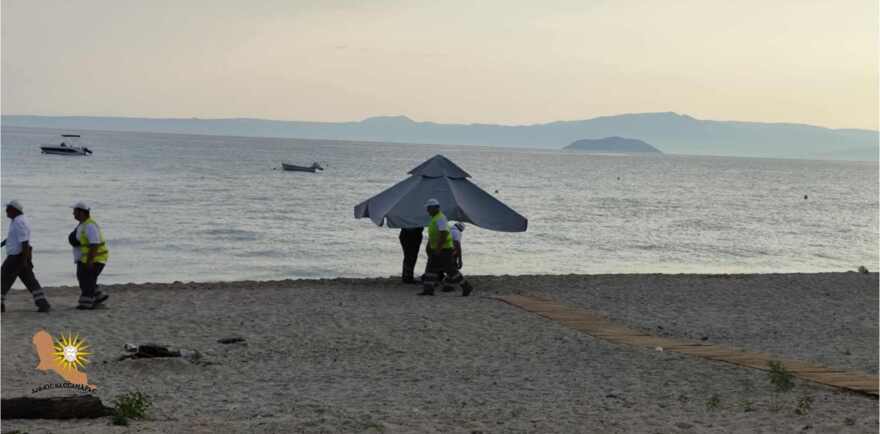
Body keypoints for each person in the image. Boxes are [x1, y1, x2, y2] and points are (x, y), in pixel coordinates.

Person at [1, 200, 51, 313]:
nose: (6, 211)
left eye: (8, 209)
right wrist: (2, 244)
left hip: (16, 257)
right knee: (30, 281)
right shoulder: (16, 220)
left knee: (3, 279)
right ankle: (43, 304)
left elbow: (24, 242)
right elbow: (13, 237)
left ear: (14, 210)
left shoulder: (20, 222)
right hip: (20, 256)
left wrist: (24, 261)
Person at [418, 199, 474, 297]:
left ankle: (466, 286)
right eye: (427, 208)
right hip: (439, 248)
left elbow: (443, 234)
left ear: (435, 208)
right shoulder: (436, 218)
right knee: (431, 269)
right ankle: (428, 289)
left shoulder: (440, 218)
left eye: (429, 208)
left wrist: (438, 249)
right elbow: (434, 235)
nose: (427, 210)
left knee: (450, 270)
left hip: (444, 249)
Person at [70, 202, 109, 310]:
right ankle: (98, 295)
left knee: (87, 280)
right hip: (86, 257)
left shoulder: (90, 226)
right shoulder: (83, 224)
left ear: (81, 212)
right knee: (83, 278)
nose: (73, 213)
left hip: (96, 258)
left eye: (75, 211)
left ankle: (86, 303)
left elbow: (94, 244)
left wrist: (90, 261)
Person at [441, 222, 465, 292]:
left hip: (440, 251)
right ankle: (448, 286)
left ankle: (441, 281)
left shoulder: (448, 229)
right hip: (450, 253)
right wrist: (460, 259)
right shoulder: (457, 232)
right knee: (452, 269)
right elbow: (457, 246)